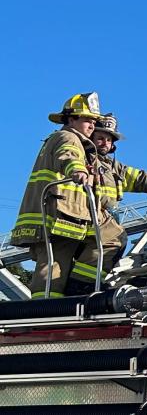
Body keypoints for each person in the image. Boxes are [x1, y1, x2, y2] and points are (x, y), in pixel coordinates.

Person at [11, 92, 104, 297]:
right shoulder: (68, 137)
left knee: (56, 268)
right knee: (52, 271)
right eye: (87, 119)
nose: (92, 125)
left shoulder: (70, 140)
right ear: (71, 119)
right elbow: (68, 155)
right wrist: (78, 170)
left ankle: (61, 302)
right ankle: (42, 314)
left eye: (94, 121)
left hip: (63, 217)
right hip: (57, 217)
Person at [87, 114, 147, 284]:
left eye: (109, 139)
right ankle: (83, 285)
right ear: (90, 137)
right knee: (115, 241)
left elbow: (143, 179)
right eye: (100, 138)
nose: (105, 143)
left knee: (113, 245)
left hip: (105, 221)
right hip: (89, 220)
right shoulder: (84, 161)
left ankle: (90, 285)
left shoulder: (114, 168)